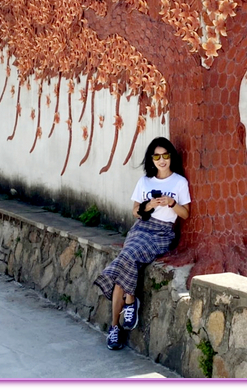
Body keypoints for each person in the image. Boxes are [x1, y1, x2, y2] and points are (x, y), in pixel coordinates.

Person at [93, 136, 190, 350]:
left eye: (165, 155)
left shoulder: (179, 182)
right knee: (128, 262)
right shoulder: (145, 181)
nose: (162, 160)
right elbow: (135, 211)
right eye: (157, 156)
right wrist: (149, 206)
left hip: (162, 233)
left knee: (125, 259)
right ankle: (118, 322)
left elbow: (185, 214)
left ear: (171, 156)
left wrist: (171, 203)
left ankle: (127, 307)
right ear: (151, 159)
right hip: (141, 229)